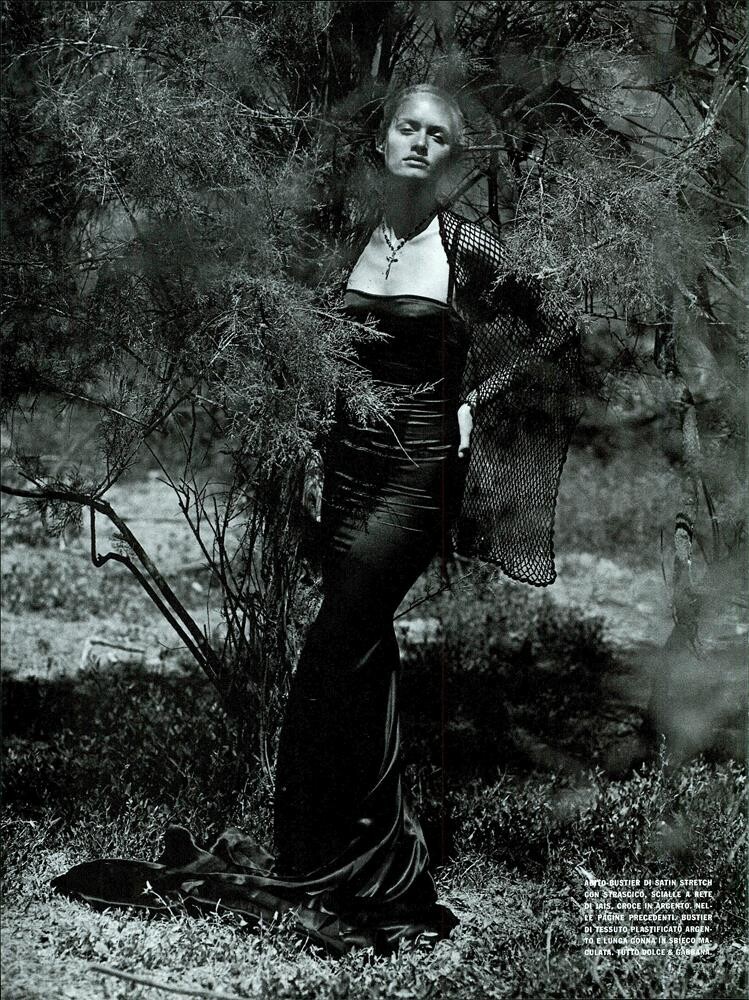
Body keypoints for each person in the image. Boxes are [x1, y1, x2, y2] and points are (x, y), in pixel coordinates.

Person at [52, 84, 580, 956]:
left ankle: (320, 859)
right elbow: (303, 350)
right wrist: (301, 449)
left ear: (453, 156)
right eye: (406, 127)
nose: (419, 142)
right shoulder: (347, 239)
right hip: (345, 468)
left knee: (334, 643)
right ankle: (366, 857)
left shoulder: (467, 246)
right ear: (382, 141)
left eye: (437, 134)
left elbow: (555, 326)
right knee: (361, 655)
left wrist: (473, 402)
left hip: (416, 476)